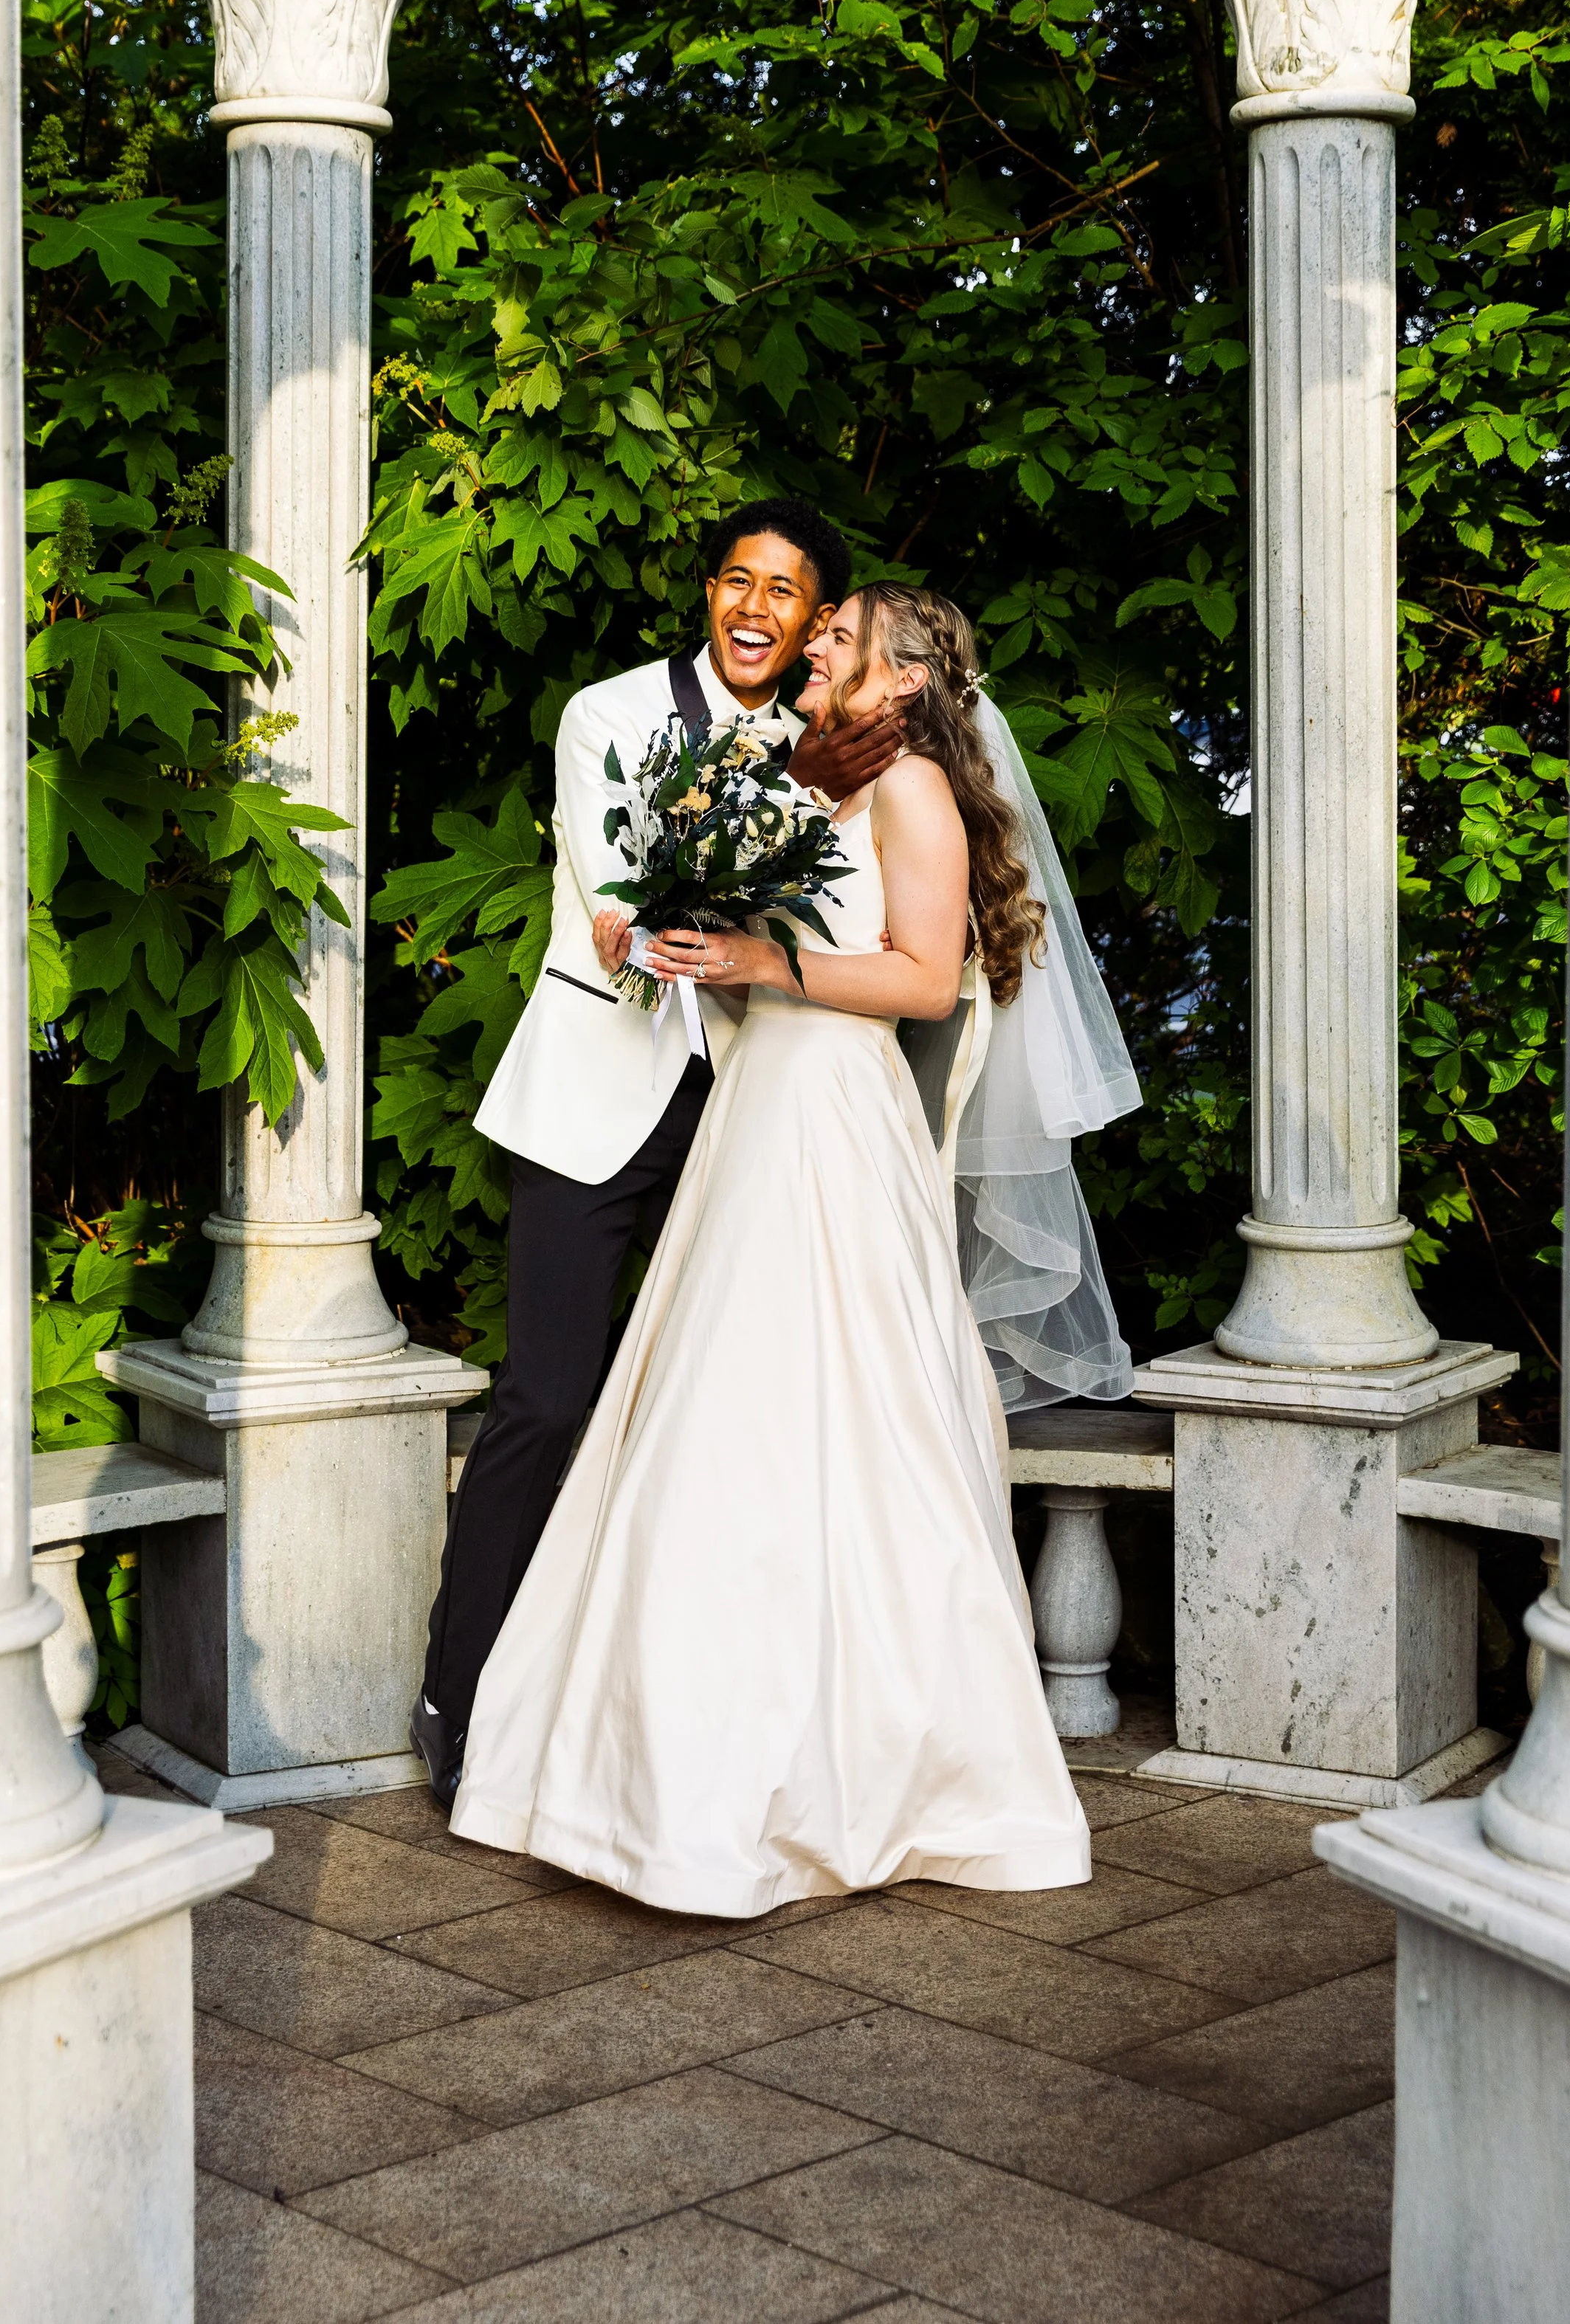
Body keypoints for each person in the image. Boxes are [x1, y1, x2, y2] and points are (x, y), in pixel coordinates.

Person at [447, 585, 1126, 1914]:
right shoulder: (798, 777)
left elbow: (929, 979)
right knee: (720, 1415)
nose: (813, 641)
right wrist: (663, 934)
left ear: (901, 670)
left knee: (835, 1419)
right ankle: (660, 1781)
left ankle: (858, 1777)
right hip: (763, 1115)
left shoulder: (919, 783)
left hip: (834, 1115)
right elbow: (735, 916)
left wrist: (763, 959)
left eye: (839, 633)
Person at [409, 499, 904, 1808]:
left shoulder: (829, 735)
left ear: (815, 619)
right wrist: (789, 791)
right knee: (549, 1400)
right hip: (597, 1089)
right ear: (708, 593)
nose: (756, 608)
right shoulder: (609, 713)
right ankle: (458, 1694)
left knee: (734, 1414)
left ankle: (687, 1738)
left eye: (786, 592)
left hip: (756, 1102)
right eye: (737, 581)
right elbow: (625, 908)